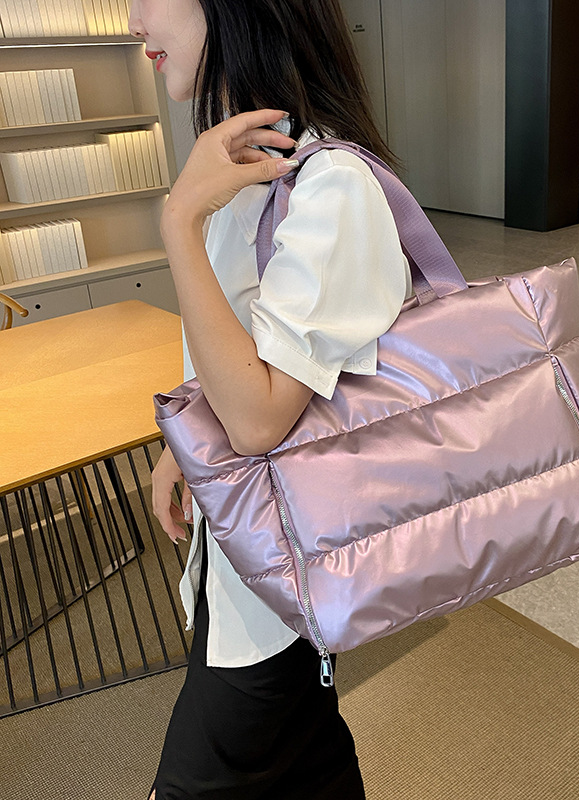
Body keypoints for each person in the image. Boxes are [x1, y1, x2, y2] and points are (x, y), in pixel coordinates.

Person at [128, 1, 412, 797]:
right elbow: (243, 357)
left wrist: (179, 220)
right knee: (311, 762)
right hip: (248, 561)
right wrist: (186, 443)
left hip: (280, 591)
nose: (133, 18)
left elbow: (256, 419)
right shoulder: (249, 173)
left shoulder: (330, 185)